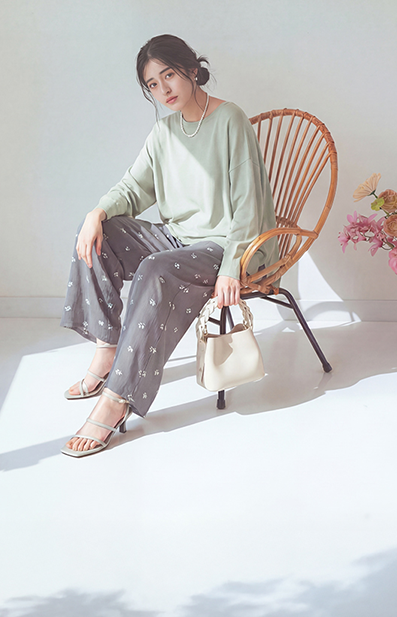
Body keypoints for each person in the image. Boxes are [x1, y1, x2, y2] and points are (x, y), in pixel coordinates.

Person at [60, 34, 278, 457]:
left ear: (192, 70)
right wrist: (96, 213)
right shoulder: (163, 132)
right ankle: (107, 349)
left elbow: (247, 205)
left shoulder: (230, 119)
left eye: (169, 75)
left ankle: (116, 399)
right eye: (153, 84)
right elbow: (133, 187)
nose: (164, 89)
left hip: (230, 245)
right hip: (179, 238)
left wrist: (232, 266)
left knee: (156, 268)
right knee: (99, 234)